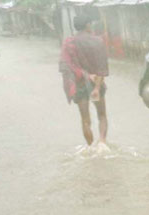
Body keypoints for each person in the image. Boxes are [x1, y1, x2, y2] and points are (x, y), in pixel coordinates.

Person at [59, 15, 109, 148]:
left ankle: (90, 148)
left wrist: (83, 74)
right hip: (96, 83)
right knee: (102, 116)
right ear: (87, 25)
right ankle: (102, 143)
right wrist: (97, 88)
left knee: (85, 120)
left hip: (79, 85)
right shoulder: (98, 41)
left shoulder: (69, 43)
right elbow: (102, 68)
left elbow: (65, 66)